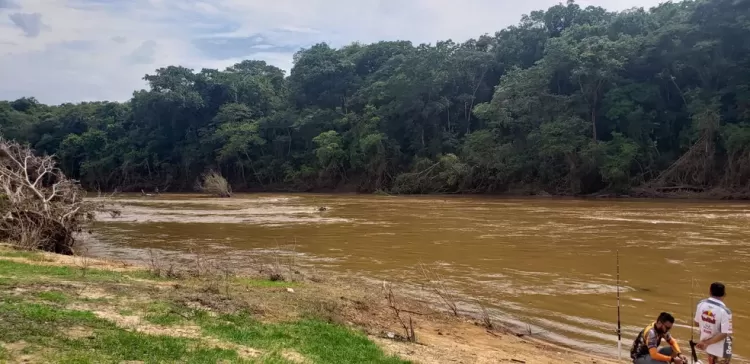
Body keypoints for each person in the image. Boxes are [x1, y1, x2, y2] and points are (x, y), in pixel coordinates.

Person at [694, 282, 733, 364]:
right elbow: (725, 333)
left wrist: (705, 341)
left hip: (705, 342)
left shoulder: (700, 304)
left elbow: (696, 323)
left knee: (712, 361)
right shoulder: (726, 311)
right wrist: (707, 343)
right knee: (729, 339)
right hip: (719, 347)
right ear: (724, 294)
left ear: (710, 292)